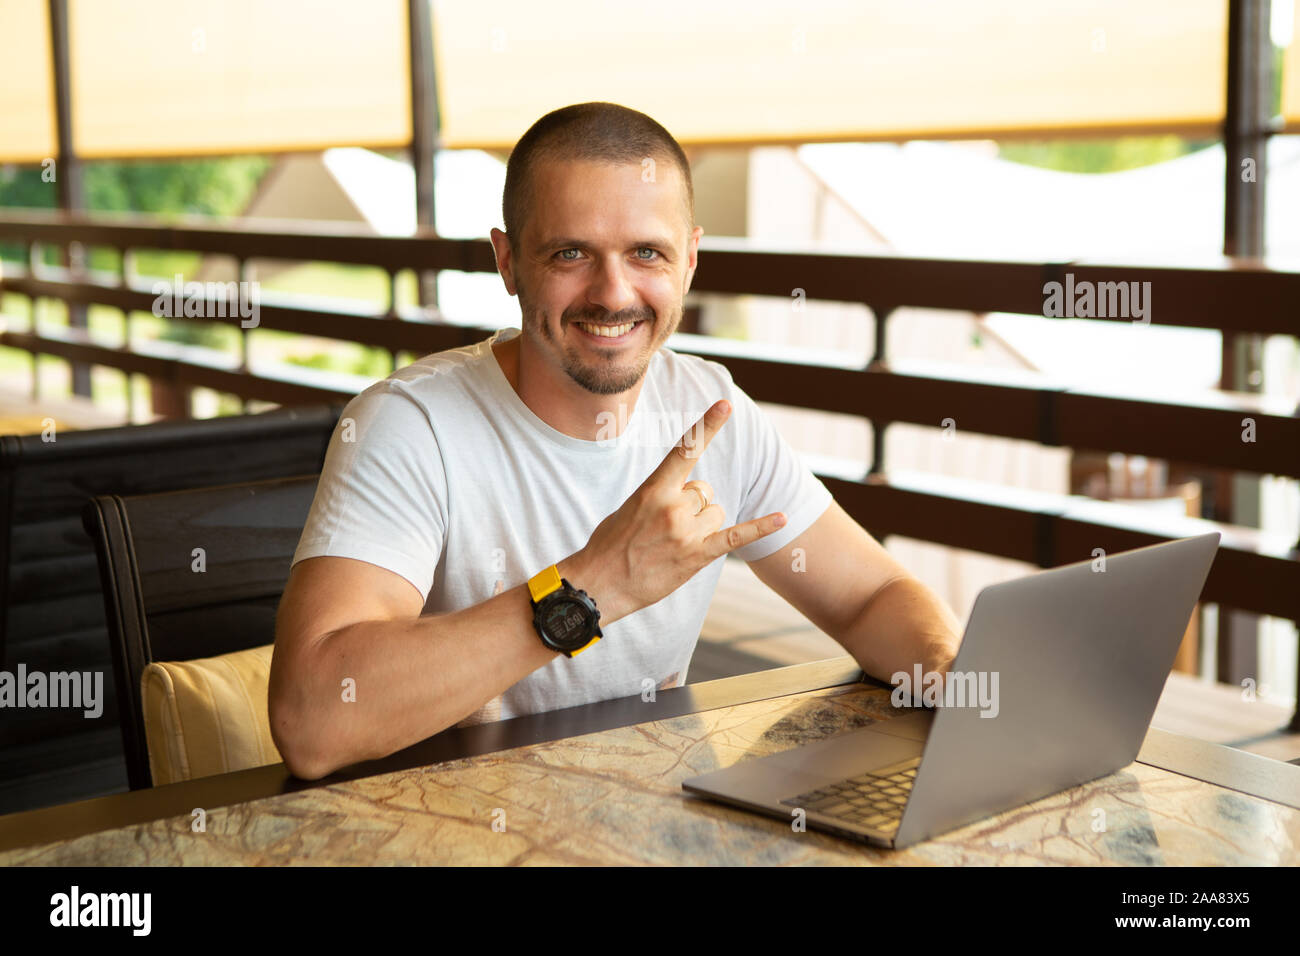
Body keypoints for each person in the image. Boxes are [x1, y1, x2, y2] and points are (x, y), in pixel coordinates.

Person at [269, 102, 961, 781]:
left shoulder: (711, 412)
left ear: (689, 260)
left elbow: (871, 599)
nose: (613, 292)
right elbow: (314, 721)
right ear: (508, 263)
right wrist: (596, 583)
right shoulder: (410, 425)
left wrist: (953, 676)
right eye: (570, 253)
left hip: (651, 820)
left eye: (646, 253)